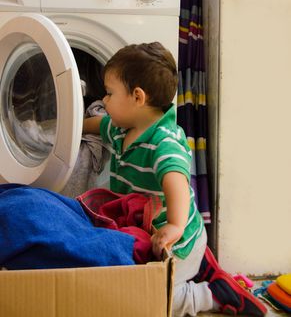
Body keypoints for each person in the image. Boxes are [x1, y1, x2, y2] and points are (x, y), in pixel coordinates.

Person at [83, 42, 267, 317]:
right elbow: (97, 125)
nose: (104, 101)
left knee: (146, 300)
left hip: (173, 243)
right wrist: (71, 126)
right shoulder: (122, 129)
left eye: (109, 93)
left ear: (138, 97)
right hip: (155, 234)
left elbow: (177, 181)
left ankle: (210, 294)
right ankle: (202, 267)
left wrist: (175, 225)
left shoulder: (163, 142)